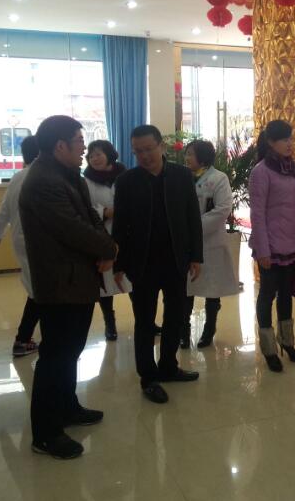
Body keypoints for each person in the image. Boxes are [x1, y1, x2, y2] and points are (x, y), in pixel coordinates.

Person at [19, 115, 118, 459]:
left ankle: (66, 407)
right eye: (78, 141)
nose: (83, 147)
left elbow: (90, 217)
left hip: (77, 281)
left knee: (71, 350)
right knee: (55, 356)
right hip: (60, 283)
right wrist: (110, 248)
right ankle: (46, 433)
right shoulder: (44, 181)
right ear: (59, 145)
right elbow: (72, 228)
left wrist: (105, 246)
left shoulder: (67, 174)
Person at [112, 125, 203, 403]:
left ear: (161, 146)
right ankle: (148, 378)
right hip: (142, 264)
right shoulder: (127, 181)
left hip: (176, 260)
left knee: (175, 317)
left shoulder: (181, 175)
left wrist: (196, 256)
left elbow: (192, 217)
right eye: (138, 151)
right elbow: (120, 226)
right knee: (145, 322)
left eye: (149, 149)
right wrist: (118, 264)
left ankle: (168, 367)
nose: (144, 156)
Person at [249, 120, 295, 372]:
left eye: (291, 138)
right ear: (271, 142)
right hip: (271, 247)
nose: (290, 143)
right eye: (284, 139)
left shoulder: (291, 169)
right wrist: (263, 250)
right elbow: (257, 214)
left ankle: (287, 342)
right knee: (267, 295)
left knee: (286, 295)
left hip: (291, 246)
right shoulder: (261, 172)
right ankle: (269, 348)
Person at [181, 140, 239, 349]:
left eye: (191, 154)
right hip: (186, 242)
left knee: (212, 288)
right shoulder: (182, 177)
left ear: (203, 156)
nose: (187, 158)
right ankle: (183, 330)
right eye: (186, 154)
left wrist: (194, 227)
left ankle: (209, 329)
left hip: (211, 241)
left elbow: (223, 208)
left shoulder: (218, 178)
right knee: (186, 289)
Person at [0, 135, 41, 357]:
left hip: (21, 240)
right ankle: (22, 340)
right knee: (39, 292)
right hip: (38, 242)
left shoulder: (18, 177)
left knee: (36, 289)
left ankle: (27, 337)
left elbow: (4, 210)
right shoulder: (44, 176)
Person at [83, 139, 127, 341]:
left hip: (127, 233)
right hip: (102, 234)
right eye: (91, 156)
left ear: (109, 154)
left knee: (133, 278)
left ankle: (146, 321)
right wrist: (105, 212)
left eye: (98, 154)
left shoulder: (125, 176)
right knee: (105, 283)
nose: (95, 159)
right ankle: (110, 323)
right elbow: (84, 207)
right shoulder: (86, 181)